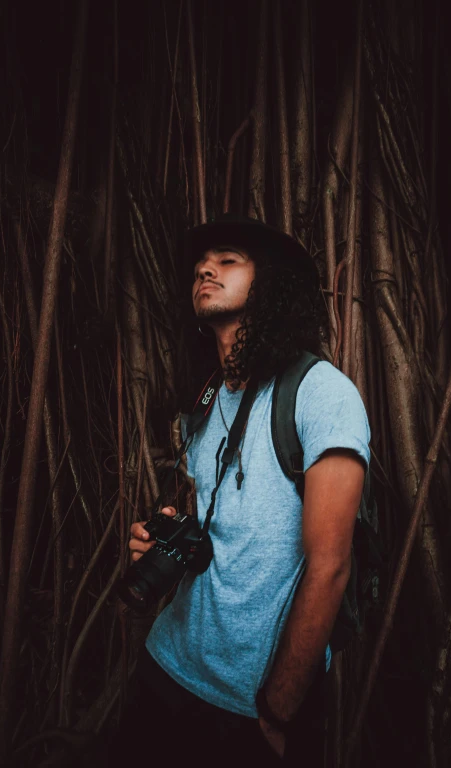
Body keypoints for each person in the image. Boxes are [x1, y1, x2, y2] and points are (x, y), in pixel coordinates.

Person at [112, 215, 370, 766]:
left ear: (270, 282)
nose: (206, 268)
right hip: (165, 665)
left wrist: (276, 712)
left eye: (228, 259)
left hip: (248, 706)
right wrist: (163, 539)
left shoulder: (321, 393)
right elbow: (220, 521)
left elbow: (330, 567)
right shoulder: (202, 399)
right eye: (203, 263)